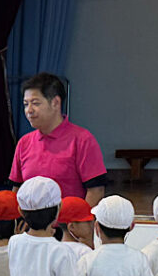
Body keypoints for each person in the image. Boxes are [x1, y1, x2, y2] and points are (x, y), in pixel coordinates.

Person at [9, 73, 107, 205]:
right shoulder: (24, 143)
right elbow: (17, 188)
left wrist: (81, 217)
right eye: (26, 104)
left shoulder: (82, 140)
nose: (29, 110)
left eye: (35, 103)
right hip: (31, 218)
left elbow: (96, 190)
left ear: (55, 103)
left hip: (69, 217)